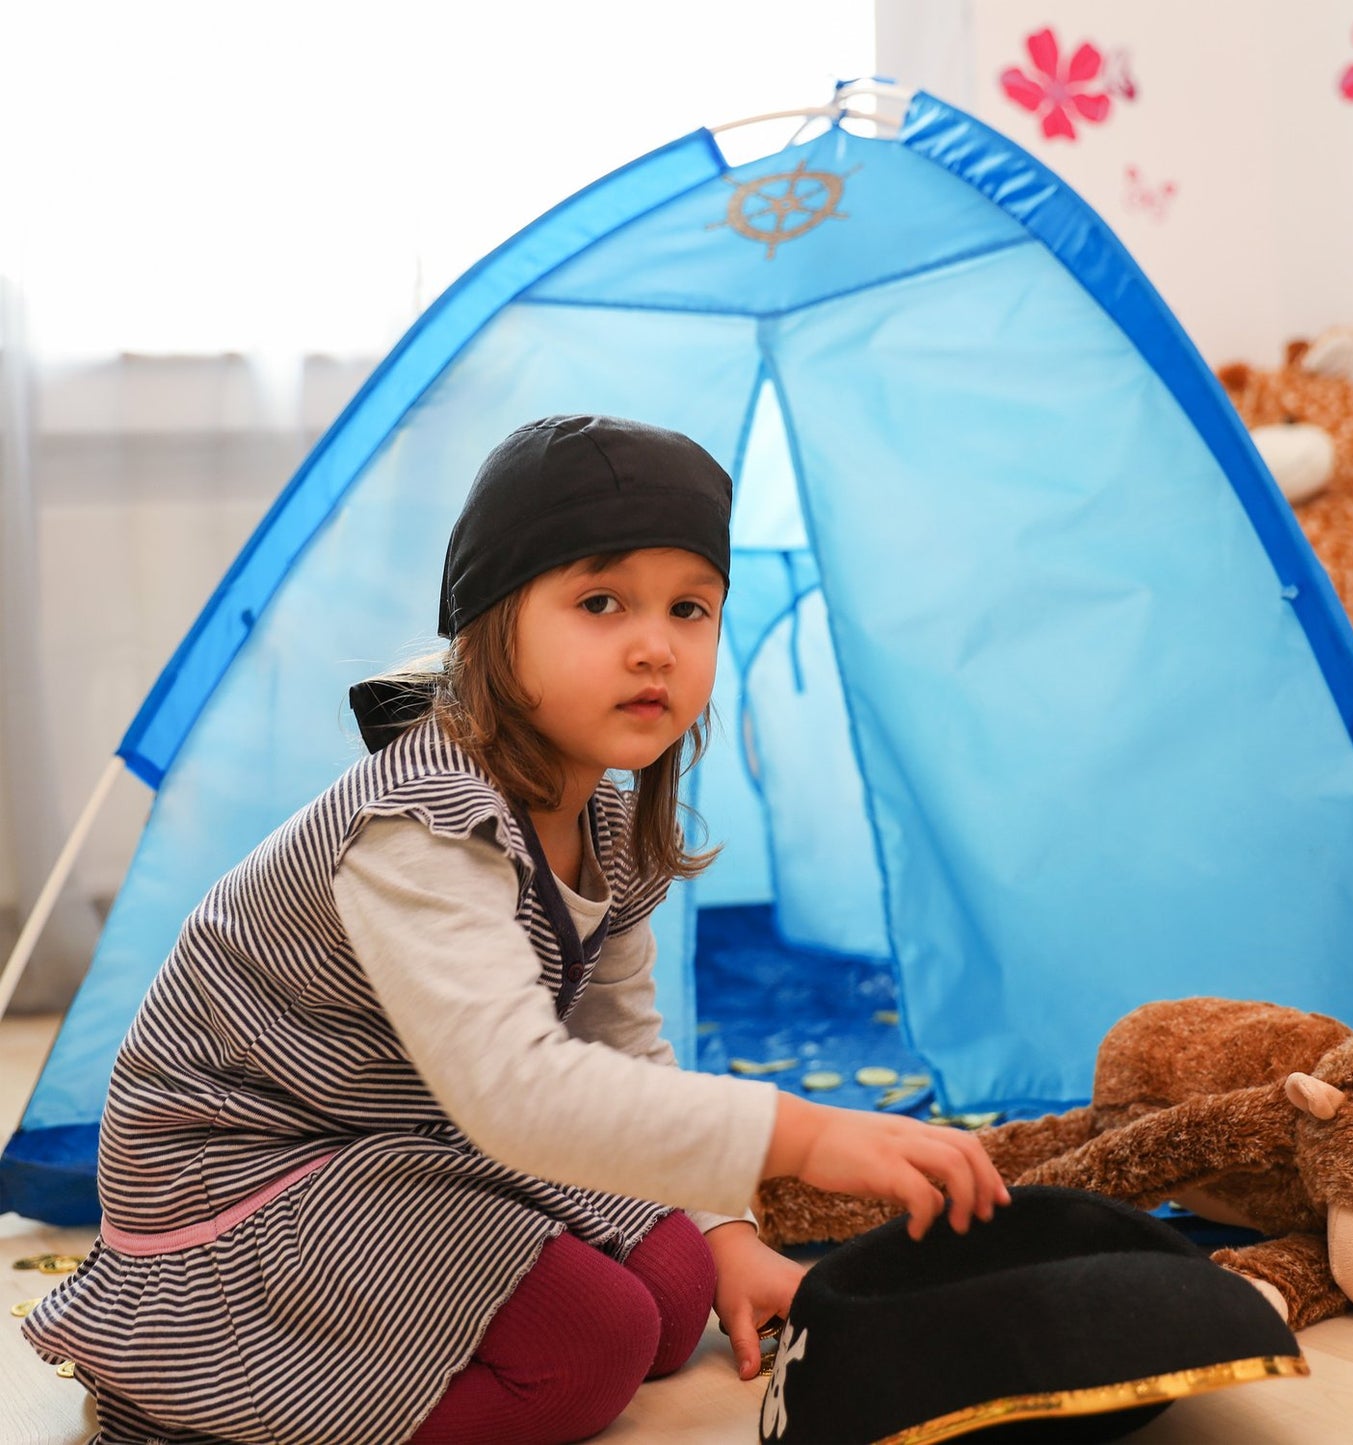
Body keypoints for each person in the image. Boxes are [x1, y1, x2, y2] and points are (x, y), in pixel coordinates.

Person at [25, 414, 1009, 1445]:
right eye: (599, 602)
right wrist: (802, 1134)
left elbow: (619, 1042)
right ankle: (200, 1380)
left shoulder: (609, 822)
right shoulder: (421, 825)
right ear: (493, 624)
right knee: (593, 1343)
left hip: (406, 1133)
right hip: (247, 1173)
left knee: (676, 1285)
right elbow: (515, 1087)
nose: (653, 643)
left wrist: (727, 1224)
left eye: (689, 607)